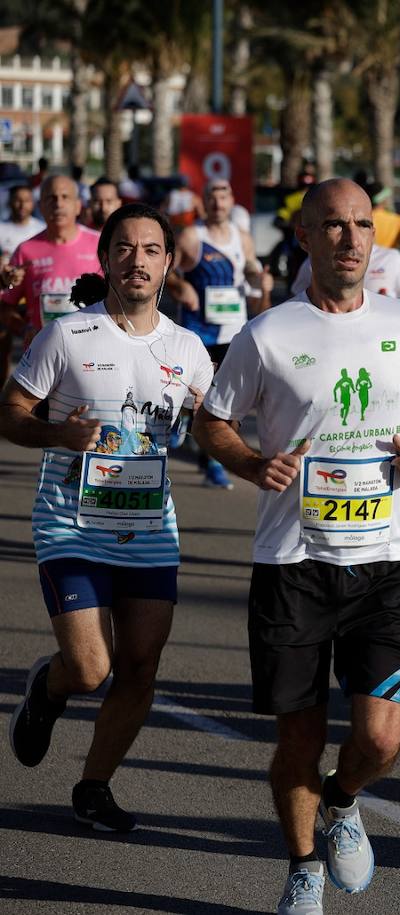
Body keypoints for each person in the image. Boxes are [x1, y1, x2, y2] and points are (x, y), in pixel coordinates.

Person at [194, 178, 400, 915]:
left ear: (377, 238)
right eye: (332, 226)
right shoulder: (268, 333)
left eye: (361, 225)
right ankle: (303, 864)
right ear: (304, 237)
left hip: (383, 562)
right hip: (293, 566)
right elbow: (212, 419)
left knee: (381, 739)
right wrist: (250, 462)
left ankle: (343, 800)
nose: (349, 239)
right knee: (297, 740)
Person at [3, 203, 213, 833]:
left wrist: (262, 456)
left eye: (152, 250)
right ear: (105, 258)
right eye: (125, 248)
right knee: (92, 669)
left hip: (150, 531)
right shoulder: (68, 335)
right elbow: (10, 412)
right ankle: (49, 687)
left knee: (142, 664)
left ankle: (94, 785)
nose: (138, 260)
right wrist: (59, 434)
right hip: (70, 522)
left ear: (168, 262)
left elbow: (215, 427)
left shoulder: (188, 348)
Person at [164, 179, 272, 488]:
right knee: (198, 395)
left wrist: (258, 279)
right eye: (212, 196)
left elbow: (249, 268)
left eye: (223, 197)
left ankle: (213, 462)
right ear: (204, 202)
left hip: (233, 331)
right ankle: (183, 418)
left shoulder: (242, 237)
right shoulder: (190, 237)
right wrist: (179, 286)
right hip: (199, 331)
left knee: (222, 403)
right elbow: (167, 271)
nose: (218, 203)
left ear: (231, 201)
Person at [2, 176, 101, 338]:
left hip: (90, 353)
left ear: (78, 206)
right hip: (43, 355)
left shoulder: (100, 245)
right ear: (40, 207)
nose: (58, 204)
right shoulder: (26, 250)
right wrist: (24, 330)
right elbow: (6, 306)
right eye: (51, 198)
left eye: (65, 197)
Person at [292, 242, 400, 310]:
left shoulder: (391, 258)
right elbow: (295, 305)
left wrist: (390, 309)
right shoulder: (314, 261)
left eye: (362, 224)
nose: (352, 237)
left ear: (372, 230)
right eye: (337, 224)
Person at [0, 184, 45, 261]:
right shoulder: (1, 228)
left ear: (33, 203)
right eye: (18, 200)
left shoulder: (42, 229)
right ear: (10, 202)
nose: (22, 205)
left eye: (27, 200)